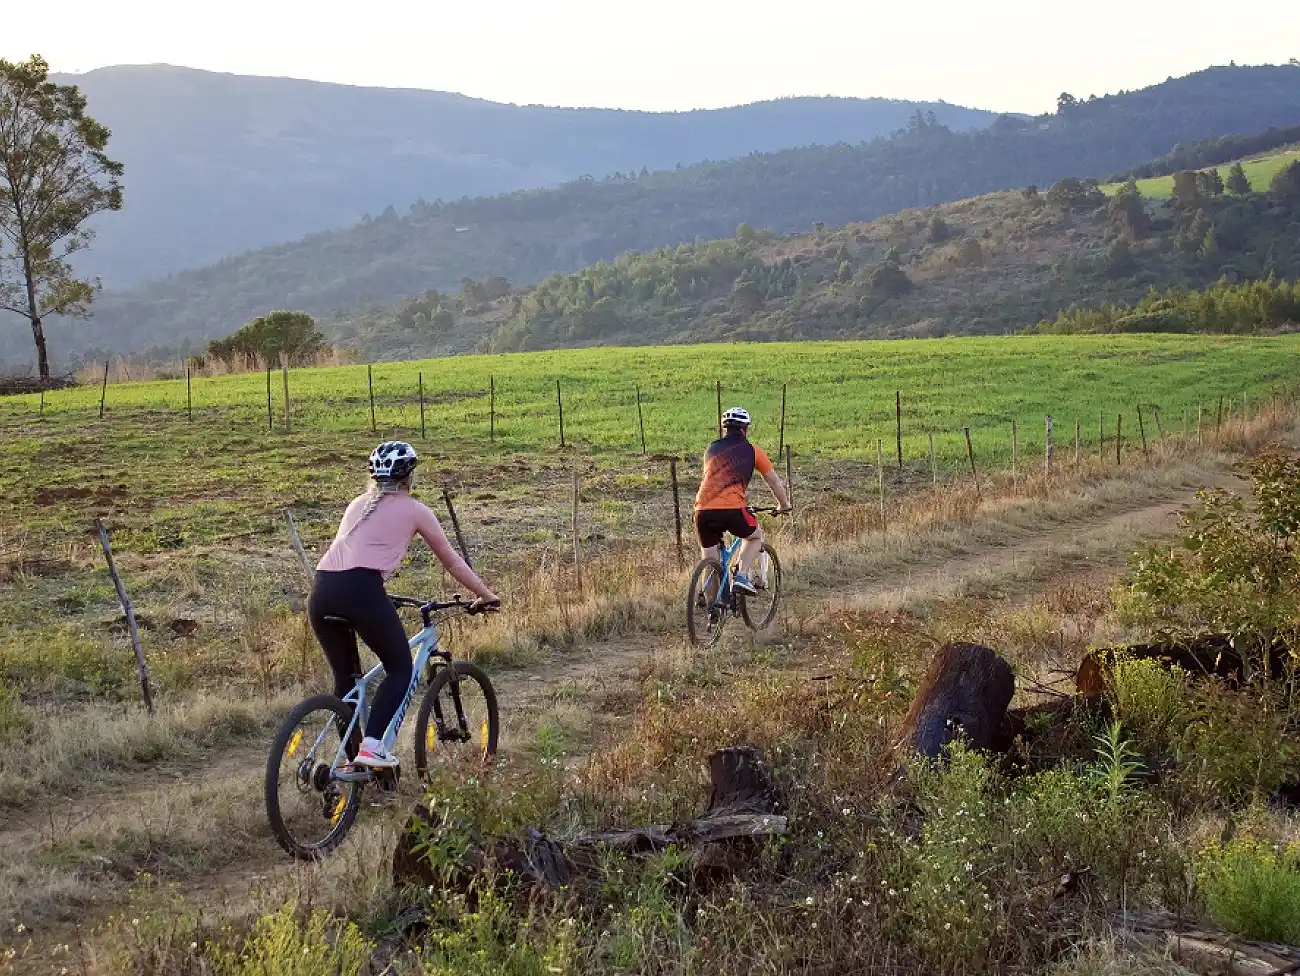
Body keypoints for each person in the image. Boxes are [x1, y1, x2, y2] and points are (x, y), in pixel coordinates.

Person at [309, 441, 500, 769]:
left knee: (346, 681)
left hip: (323, 589)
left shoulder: (357, 504)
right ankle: (371, 748)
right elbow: (451, 561)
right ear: (409, 476)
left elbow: (353, 559)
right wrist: (485, 594)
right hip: (362, 590)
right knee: (399, 669)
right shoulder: (414, 509)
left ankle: (352, 767)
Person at [694, 407, 792, 597]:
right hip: (731, 509)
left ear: (724, 429)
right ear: (745, 429)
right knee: (755, 536)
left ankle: (713, 612)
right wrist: (784, 505)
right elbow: (773, 481)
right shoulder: (753, 451)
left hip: (702, 510)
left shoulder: (711, 449)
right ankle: (741, 576)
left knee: (710, 560)